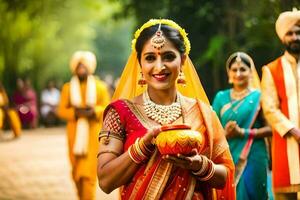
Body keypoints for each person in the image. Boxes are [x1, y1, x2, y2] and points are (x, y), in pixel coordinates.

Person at [97, 19, 235, 199]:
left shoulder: (203, 113)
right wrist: (142, 147)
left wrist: (199, 165)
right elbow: (106, 181)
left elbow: (225, 176)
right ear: (140, 63)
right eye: (150, 58)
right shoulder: (119, 112)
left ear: (183, 60)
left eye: (169, 57)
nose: (159, 66)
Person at [212, 52, 273, 200]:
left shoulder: (260, 96)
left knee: (253, 192)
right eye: (234, 70)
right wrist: (225, 133)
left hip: (254, 153)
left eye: (243, 69)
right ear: (229, 73)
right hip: (227, 153)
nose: (238, 73)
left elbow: (270, 128)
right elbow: (212, 128)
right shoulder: (221, 97)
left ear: (250, 73)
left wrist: (243, 132)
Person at [57, 50, 110, 200]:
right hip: (74, 136)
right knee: (76, 174)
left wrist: (94, 111)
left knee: (88, 175)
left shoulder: (100, 87)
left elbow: (107, 107)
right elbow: (61, 110)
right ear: (74, 69)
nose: (81, 69)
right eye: (78, 67)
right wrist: (76, 113)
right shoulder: (67, 88)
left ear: (89, 68)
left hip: (93, 134)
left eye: (84, 66)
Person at [261, 8, 300, 200]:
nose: (295, 37)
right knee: (287, 193)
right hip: (288, 141)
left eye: (298, 32)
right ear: (283, 38)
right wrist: (293, 130)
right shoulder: (271, 69)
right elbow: (269, 108)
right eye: (290, 33)